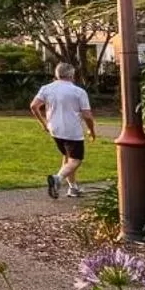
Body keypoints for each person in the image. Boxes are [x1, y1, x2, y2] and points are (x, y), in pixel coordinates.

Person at [30, 62, 95, 199]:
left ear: (57, 74)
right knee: (76, 160)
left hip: (55, 129)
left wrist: (43, 123)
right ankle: (57, 179)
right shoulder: (78, 92)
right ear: (72, 75)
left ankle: (73, 188)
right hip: (72, 130)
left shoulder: (47, 88)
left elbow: (34, 106)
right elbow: (87, 115)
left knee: (67, 157)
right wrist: (91, 130)